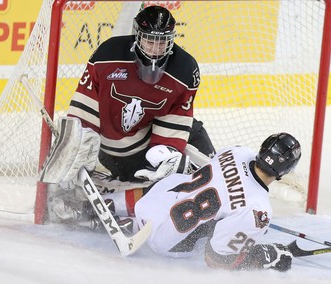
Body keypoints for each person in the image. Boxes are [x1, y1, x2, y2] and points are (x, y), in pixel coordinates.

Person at [39, 5, 215, 190]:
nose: (155, 48)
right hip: (107, 154)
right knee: (154, 191)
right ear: (137, 36)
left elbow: (176, 117)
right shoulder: (107, 55)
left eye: (162, 42)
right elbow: (84, 113)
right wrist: (76, 146)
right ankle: (91, 199)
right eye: (149, 40)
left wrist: (166, 154)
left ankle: (216, 183)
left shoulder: (185, 69)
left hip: (145, 149)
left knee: (194, 135)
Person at [72, 132, 302, 272]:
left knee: (178, 185)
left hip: (153, 199)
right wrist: (263, 256)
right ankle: (122, 225)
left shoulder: (238, 151)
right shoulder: (258, 211)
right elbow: (217, 260)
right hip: (166, 244)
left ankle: (95, 208)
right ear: (286, 171)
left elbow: (222, 183)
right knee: (201, 225)